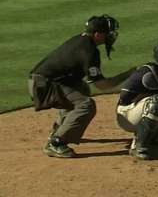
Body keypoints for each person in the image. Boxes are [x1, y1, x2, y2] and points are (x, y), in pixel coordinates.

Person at [28, 15, 133, 158]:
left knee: (81, 88)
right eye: (108, 33)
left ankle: (61, 130)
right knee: (86, 105)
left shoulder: (82, 40)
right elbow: (102, 85)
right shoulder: (89, 52)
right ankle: (56, 143)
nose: (111, 36)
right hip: (43, 86)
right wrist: (128, 74)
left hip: (45, 81)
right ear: (97, 34)